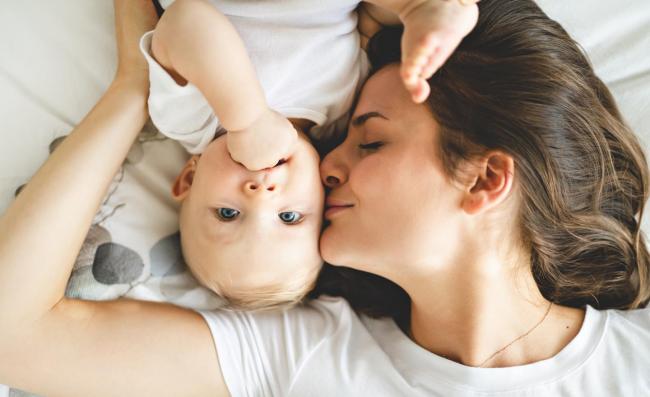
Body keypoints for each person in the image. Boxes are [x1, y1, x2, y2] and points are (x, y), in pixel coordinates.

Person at [0, 0, 649, 396]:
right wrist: (129, 89)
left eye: (370, 144)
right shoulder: (305, 351)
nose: (325, 163)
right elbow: (16, 337)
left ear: (484, 179)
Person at [141, 0, 480, 309]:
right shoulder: (342, 114)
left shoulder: (189, 120)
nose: (261, 196)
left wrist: (248, 120)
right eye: (289, 217)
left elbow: (183, 21)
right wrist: (407, 15)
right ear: (322, 195)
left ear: (188, 178)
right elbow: (365, 22)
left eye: (228, 213)